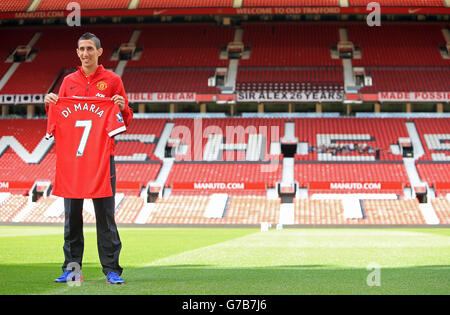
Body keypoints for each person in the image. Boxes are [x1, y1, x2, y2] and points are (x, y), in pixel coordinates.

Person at [45, 32, 133, 285]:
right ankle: (72, 269)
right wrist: (49, 103)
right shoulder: (68, 81)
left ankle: (112, 270)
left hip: (102, 160)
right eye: (81, 49)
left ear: (99, 52)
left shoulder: (113, 80)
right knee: (72, 216)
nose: (85, 53)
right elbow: (58, 115)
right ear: (77, 52)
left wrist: (122, 107)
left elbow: (125, 120)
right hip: (72, 161)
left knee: (105, 216)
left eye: (89, 49)